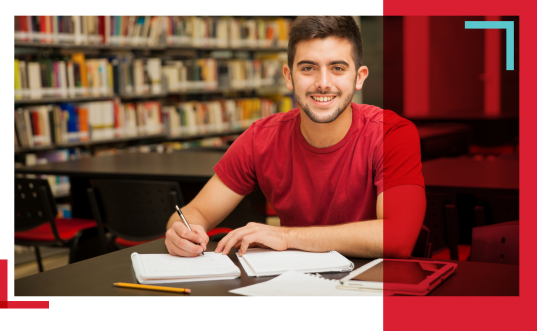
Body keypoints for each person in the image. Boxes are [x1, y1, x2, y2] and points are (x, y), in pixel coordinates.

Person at [165, 15, 426, 259]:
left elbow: (398, 238)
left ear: (359, 78)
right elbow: (195, 212)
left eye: (337, 68)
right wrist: (180, 230)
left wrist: (286, 236)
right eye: (308, 68)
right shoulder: (260, 138)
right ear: (289, 77)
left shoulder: (391, 133)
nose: (323, 83)